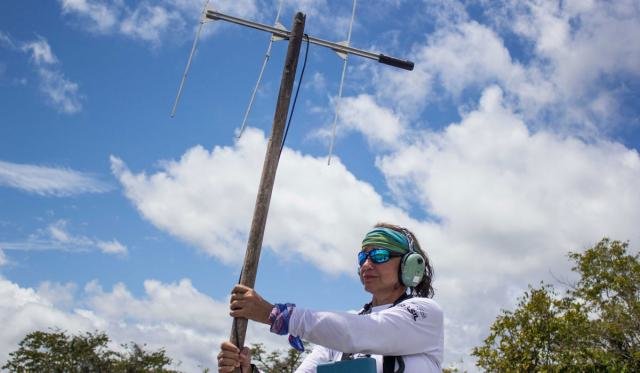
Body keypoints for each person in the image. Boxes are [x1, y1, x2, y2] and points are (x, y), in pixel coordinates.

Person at [217, 223, 444, 372]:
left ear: (409, 264)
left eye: (379, 255)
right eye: (363, 256)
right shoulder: (341, 337)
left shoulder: (425, 313)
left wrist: (275, 315)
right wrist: (248, 371)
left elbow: (364, 332)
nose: (366, 264)